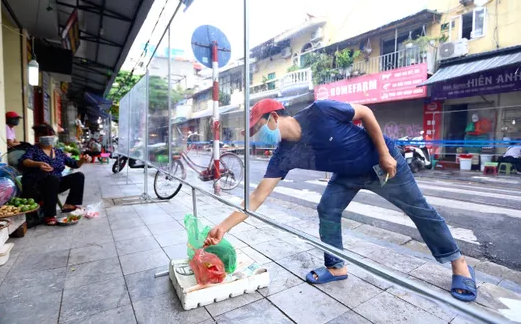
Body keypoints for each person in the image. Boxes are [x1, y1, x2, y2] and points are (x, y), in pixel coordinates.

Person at [204, 99, 478, 302]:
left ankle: (459, 264)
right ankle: (336, 267)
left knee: (420, 211)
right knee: (328, 208)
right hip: (347, 175)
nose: (259, 136)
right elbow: (256, 197)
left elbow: (366, 113)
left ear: (274, 117)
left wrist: (384, 153)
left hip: (381, 164)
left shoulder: (320, 111)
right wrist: (223, 227)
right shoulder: (283, 155)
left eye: (259, 128)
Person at [19, 124, 91, 225]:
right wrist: (38, 164)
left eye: (50, 135)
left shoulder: (58, 152)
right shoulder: (33, 150)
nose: (48, 138)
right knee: (52, 178)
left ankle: (69, 205)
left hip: (56, 183)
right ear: (38, 137)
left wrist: (83, 159)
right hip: (38, 185)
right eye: (44, 135)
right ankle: (50, 215)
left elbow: (74, 164)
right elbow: (24, 161)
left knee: (79, 176)